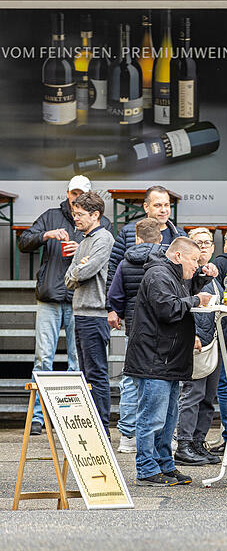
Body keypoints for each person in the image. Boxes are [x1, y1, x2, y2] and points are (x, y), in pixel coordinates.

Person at [18, 175, 111, 435]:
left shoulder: (101, 226)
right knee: (43, 359)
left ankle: (71, 416)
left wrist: (80, 250)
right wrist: (46, 235)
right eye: (73, 193)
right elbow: (23, 242)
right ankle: (38, 418)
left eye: (80, 194)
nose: (75, 199)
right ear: (67, 193)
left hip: (80, 301)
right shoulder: (50, 215)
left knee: (77, 363)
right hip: (49, 295)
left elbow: (103, 262)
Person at [123, 237, 213, 486]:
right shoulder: (158, 274)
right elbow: (167, 308)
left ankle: (164, 464)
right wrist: (197, 300)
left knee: (167, 419)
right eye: (193, 260)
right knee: (152, 419)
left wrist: (201, 279)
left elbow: (180, 294)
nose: (196, 265)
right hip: (155, 359)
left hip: (167, 358)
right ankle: (146, 469)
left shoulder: (170, 274)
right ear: (177, 256)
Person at [106, 185, 185, 441]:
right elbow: (114, 269)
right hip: (136, 316)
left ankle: (162, 435)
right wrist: (112, 308)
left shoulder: (178, 235)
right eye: (158, 205)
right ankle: (129, 433)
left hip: (170, 318)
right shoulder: (129, 232)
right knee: (133, 377)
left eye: (166, 205)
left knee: (166, 377)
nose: (163, 210)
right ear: (146, 207)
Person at [176, 226, 227, 466]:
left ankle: (198, 442)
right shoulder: (184, 275)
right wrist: (192, 335)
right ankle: (184, 444)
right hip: (197, 342)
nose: (203, 247)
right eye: (198, 242)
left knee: (208, 396)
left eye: (207, 243)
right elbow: (184, 307)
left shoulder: (213, 275)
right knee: (193, 394)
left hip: (215, 341)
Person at [108, 217, 163, 453]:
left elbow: (115, 295)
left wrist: (119, 312)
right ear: (160, 237)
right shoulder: (167, 260)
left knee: (131, 380)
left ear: (137, 238)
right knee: (161, 380)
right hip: (162, 329)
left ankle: (128, 435)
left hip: (135, 328)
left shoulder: (125, 263)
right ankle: (159, 435)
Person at [63, 192, 115, 431]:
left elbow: (86, 271)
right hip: (81, 313)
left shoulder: (103, 238)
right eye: (74, 214)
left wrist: (79, 268)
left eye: (80, 214)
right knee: (85, 374)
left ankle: (101, 428)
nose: (76, 218)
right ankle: (93, 427)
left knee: (96, 374)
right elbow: (68, 279)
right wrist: (79, 269)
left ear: (95, 215)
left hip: (95, 315)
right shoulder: (84, 241)